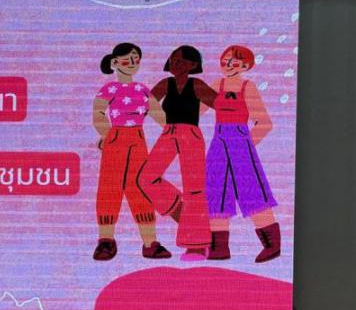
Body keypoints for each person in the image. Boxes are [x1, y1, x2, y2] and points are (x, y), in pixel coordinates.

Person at [92, 43, 171, 261]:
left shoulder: (142, 89)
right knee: (110, 187)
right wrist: (107, 135)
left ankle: (150, 242)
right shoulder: (109, 88)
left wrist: (173, 129)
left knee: (140, 187)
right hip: (115, 139)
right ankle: (106, 240)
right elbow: (98, 113)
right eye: (128, 59)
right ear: (114, 63)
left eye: (136, 59)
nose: (133, 63)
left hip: (138, 140)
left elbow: (158, 113)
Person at [140, 45, 217, 260]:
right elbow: (145, 105)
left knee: (194, 188)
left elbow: (219, 103)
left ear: (193, 64)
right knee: (146, 178)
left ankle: (197, 245)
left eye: (181, 60)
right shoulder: (165, 83)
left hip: (190, 134)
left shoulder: (196, 84)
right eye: (173, 59)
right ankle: (187, 218)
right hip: (169, 132)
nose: (175, 63)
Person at [205, 45, 281, 262]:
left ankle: (272, 245)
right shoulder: (216, 85)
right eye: (225, 60)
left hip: (240, 144)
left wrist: (245, 146)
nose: (228, 65)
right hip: (218, 144)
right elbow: (196, 109)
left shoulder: (248, 87)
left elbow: (264, 123)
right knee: (215, 192)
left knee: (252, 193)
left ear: (246, 66)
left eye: (234, 62)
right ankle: (219, 247)